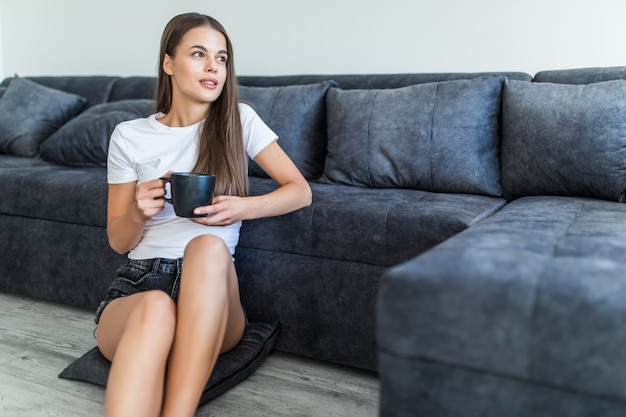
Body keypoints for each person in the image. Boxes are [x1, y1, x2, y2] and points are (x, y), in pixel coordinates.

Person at [94, 12, 311, 417]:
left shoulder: (239, 120)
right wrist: (139, 213)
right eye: (199, 54)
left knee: (208, 247)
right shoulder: (129, 135)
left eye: (222, 58)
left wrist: (242, 207)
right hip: (140, 284)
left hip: (212, 292)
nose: (214, 67)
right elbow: (118, 241)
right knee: (156, 308)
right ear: (168, 63)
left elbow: (300, 191)